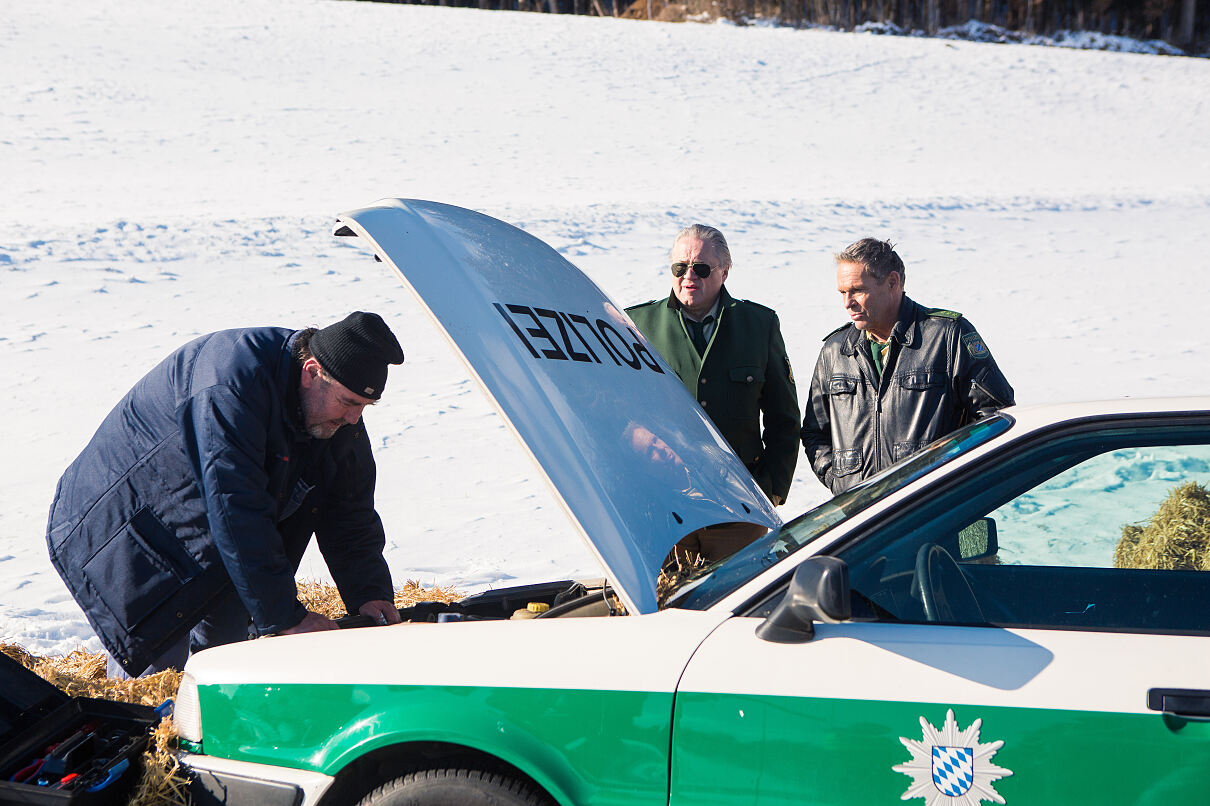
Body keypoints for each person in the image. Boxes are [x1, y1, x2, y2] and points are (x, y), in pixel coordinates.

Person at [46, 312, 406, 677]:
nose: (355, 419)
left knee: (223, 666)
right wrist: (286, 617)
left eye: (365, 406)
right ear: (311, 372)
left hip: (219, 533)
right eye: (349, 402)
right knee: (157, 673)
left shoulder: (333, 417)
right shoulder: (230, 385)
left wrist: (368, 594)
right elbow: (236, 506)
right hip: (133, 528)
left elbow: (348, 511)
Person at [801, 238, 1014, 495]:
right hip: (860, 518)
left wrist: (950, 482)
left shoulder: (947, 336)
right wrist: (839, 481)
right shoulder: (835, 351)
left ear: (893, 283)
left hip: (933, 513)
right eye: (842, 293)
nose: (847, 303)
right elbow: (815, 434)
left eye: (857, 290)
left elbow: (996, 418)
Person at [627, 224, 800, 507]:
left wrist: (772, 489)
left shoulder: (758, 325)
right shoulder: (638, 325)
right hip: (665, 503)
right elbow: (623, 412)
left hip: (738, 503)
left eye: (701, 269)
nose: (689, 276)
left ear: (725, 272)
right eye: (680, 268)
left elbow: (784, 419)